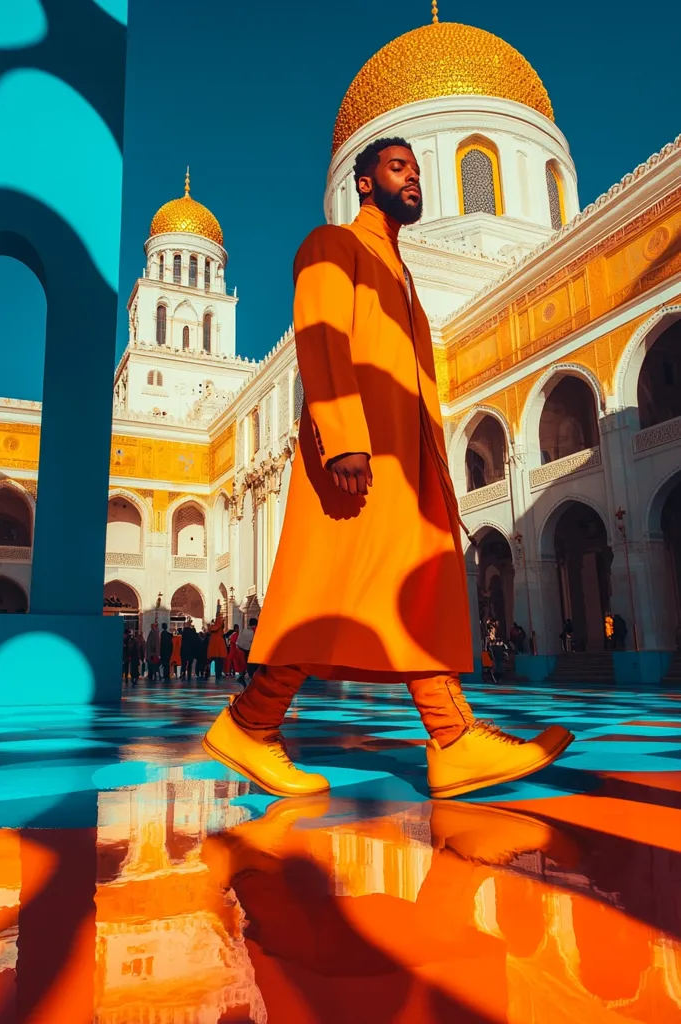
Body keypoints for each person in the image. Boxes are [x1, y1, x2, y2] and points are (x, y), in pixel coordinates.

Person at [203, 137, 573, 799]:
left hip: (408, 461)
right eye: (398, 167)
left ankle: (269, 723)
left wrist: (437, 474)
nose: (412, 179)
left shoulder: (402, 279)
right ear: (365, 182)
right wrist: (344, 436)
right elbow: (321, 336)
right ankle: (440, 738)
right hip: (360, 456)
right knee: (334, 592)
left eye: (416, 170)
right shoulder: (334, 245)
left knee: (400, 590)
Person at [235, 617, 259, 686]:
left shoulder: (245, 631)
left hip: (245, 651)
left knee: (249, 666)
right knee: (254, 668)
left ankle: (243, 678)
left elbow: (239, 643)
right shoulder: (256, 631)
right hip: (254, 652)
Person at [207, 611, 226, 680]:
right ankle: (218, 674)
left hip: (216, 643)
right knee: (218, 660)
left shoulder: (219, 621)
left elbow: (214, 628)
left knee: (217, 659)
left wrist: (209, 626)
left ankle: (218, 674)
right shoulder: (219, 621)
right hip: (217, 643)